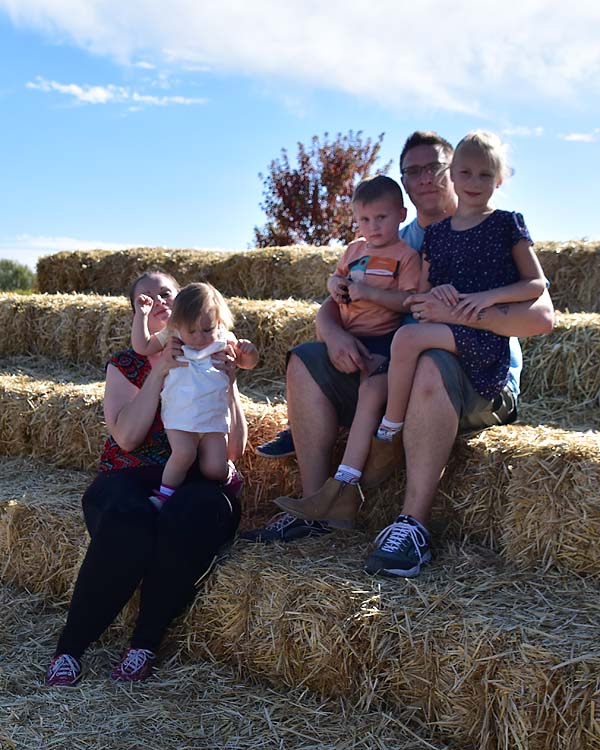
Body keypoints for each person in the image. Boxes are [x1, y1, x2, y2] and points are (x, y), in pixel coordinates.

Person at [244, 131, 554, 569]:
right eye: (414, 170)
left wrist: (463, 315)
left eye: (437, 168)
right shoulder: (391, 232)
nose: (426, 178)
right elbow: (339, 299)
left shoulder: (492, 228)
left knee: (429, 361)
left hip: (476, 376)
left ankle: (412, 526)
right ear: (404, 184)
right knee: (306, 360)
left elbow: (541, 315)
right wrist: (332, 332)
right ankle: (320, 505)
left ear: (457, 171)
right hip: (391, 371)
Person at [45, 271, 248, 687]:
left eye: (166, 293)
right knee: (128, 516)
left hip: (195, 479)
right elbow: (128, 438)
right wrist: (159, 372)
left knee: (193, 513)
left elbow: (232, 452)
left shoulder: (213, 353)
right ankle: (71, 648)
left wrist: (229, 385)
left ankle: (143, 646)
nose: (157, 301)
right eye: (145, 298)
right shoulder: (126, 364)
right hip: (131, 475)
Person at [271, 175, 420, 528]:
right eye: (365, 220)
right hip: (349, 335)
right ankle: (321, 495)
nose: (373, 227)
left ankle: (346, 482)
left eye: (381, 218)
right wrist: (333, 284)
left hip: (385, 340)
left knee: (371, 390)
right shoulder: (354, 250)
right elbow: (335, 280)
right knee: (302, 357)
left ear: (401, 214)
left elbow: (409, 301)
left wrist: (368, 293)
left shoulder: (407, 256)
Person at [132, 281, 258, 507]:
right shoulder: (171, 335)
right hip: (180, 415)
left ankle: (229, 477)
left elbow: (247, 363)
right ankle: (164, 495)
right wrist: (141, 316)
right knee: (183, 454)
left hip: (213, 416)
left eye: (207, 329)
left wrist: (249, 352)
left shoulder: (224, 338)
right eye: (191, 331)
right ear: (178, 324)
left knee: (214, 468)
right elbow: (142, 347)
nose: (200, 337)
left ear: (218, 321)